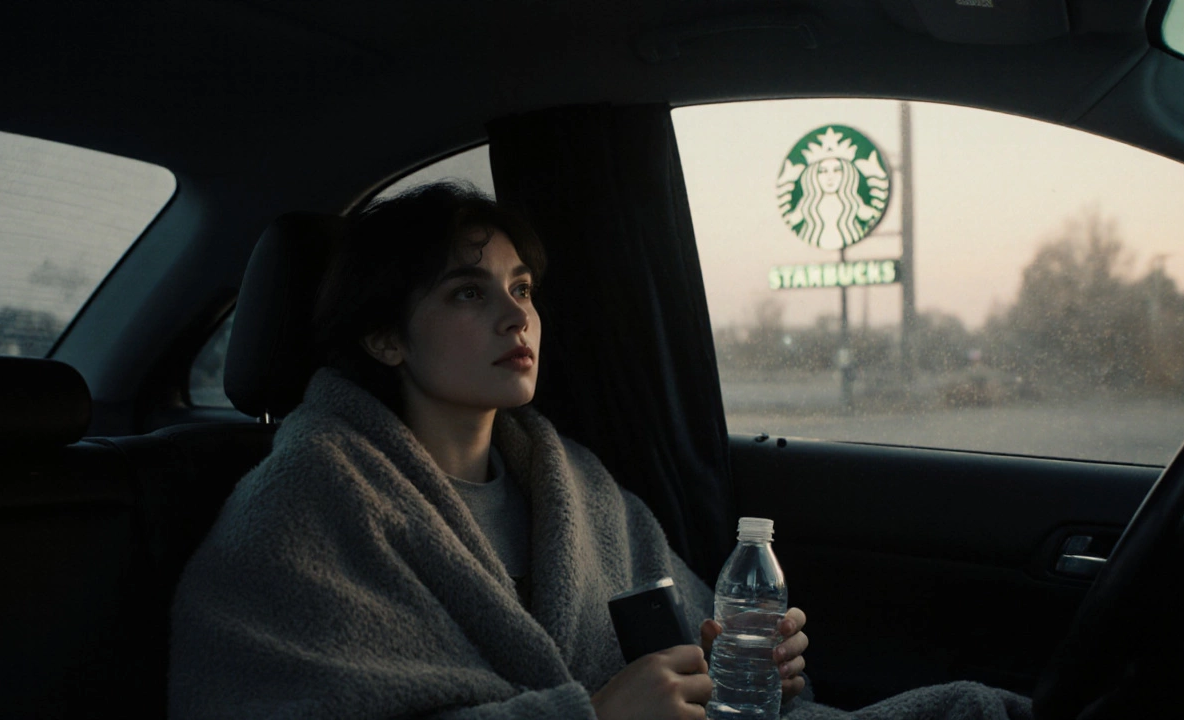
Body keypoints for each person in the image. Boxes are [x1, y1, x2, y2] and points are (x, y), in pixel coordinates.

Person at [168, 181, 811, 719]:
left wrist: (736, 672)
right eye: (468, 293)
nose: (515, 317)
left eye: (523, 289)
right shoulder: (305, 503)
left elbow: (692, 663)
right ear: (386, 338)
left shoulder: (580, 488)